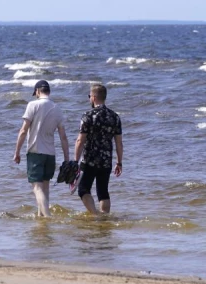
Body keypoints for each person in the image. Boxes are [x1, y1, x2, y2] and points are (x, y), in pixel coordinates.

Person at [13, 80, 70, 217]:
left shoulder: (33, 105)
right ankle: (41, 217)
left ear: (38, 91)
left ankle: (48, 217)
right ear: (48, 91)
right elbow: (63, 137)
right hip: (50, 154)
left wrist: (17, 152)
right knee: (45, 188)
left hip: (35, 152)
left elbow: (23, 130)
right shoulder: (57, 108)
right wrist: (67, 159)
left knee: (37, 188)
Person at [73, 84, 123, 215]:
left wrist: (75, 161)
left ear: (94, 97)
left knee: (83, 189)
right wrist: (119, 162)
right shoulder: (114, 116)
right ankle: (104, 217)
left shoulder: (88, 115)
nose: (89, 99)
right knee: (103, 191)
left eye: (89, 96)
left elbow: (80, 140)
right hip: (106, 160)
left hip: (89, 159)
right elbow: (119, 143)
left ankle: (95, 215)